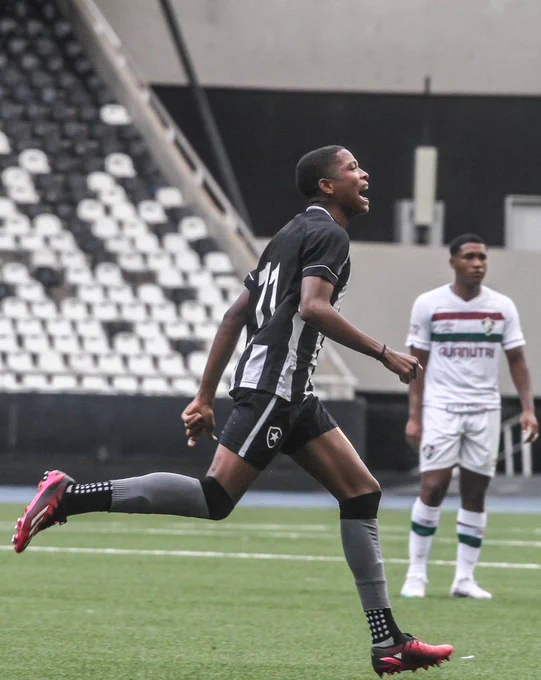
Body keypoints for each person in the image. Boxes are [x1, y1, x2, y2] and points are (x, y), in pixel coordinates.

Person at [13, 146, 453, 676]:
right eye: (353, 168)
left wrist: (205, 396)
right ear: (327, 186)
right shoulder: (329, 235)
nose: (365, 174)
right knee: (214, 497)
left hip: (292, 392)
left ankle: (388, 642)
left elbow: (234, 315)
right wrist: (385, 354)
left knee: (361, 492)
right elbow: (313, 307)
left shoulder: (287, 236)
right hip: (275, 389)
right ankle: (69, 497)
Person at [401, 233, 538, 600]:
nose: (478, 263)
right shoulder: (429, 304)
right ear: (453, 262)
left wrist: (528, 409)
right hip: (441, 408)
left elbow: (517, 360)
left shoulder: (502, 307)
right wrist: (415, 416)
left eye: (482, 257)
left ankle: (464, 579)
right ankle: (416, 574)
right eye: (470, 257)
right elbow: (416, 364)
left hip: (485, 410)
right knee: (433, 486)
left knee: (476, 492)